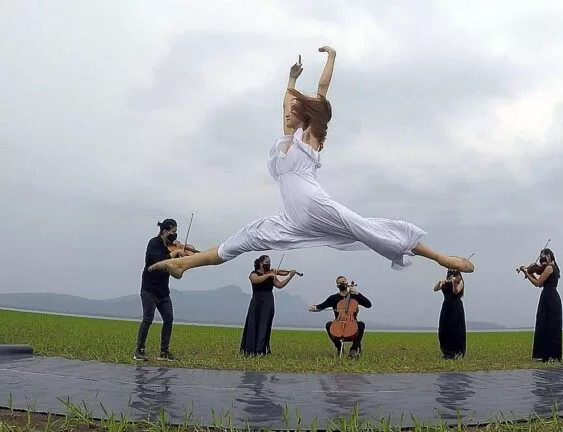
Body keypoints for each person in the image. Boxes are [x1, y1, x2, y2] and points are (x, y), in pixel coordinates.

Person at [147, 46, 474, 282]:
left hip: (316, 205)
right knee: (246, 238)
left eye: (293, 110)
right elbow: (286, 107)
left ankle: (442, 258)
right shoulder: (286, 144)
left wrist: (331, 58)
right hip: (293, 218)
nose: (288, 113)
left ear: (306, 116)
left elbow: (320, 91)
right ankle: (184, 266)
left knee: (374, 230)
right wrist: (289, 79)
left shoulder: (310, 138)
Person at [134, 219, 197, 361]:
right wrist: (174, 255)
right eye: (173, 232)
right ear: (165, 231)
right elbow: (157, 260)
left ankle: (164, 352)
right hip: (149, 289)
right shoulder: (154, 243)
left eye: (176, 232)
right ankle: (139, 350)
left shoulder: (169, 246)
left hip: (163, 291)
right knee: (148, 319)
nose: (175, 235)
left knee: (168, 319)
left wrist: (183, 255)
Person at [240, 255, 299, 356]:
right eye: (267, 262)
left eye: (270, 262)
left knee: (265, 324)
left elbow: (279, 285)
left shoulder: (271, 274)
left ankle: (261, 349)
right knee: (254, 323)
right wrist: (268, 275)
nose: (269, 264)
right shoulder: (254, 274)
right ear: (260, 263)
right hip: (257, 301)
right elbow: (256, 280)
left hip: (268, 301)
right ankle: (250, 349)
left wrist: (290, 276)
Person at [308, 276, 371, 358]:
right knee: (328, 325)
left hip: (352, 323)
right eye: (340, 282)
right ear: (337, 285)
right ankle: (339, 348)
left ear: (347, 283)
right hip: (338, 323)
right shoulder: (333, 298)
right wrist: (315, 307)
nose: (342, 283)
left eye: (344, 281)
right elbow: (321, 306)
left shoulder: (354, 296)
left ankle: (354, 349)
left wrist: (358, 293)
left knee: (361, 325)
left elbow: (368, 305)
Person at [518, 248, 562, 362]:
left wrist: (527, 273)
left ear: (548, 256)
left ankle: (552, 355)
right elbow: (539, 278)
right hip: (548, 297)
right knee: (544, 324)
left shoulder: (549, 268)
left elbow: (538, 283)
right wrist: (527, 271)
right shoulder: (551, 267)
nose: (541, 260)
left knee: (551, 326)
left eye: (543, 257)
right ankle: (546, 355)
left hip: (550, 297)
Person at [433, 269, 466, 359]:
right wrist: (440, 282)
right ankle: (446, 351)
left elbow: (456, 292)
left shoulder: (460, 282)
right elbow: (435, 289)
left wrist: (454, 283)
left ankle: (456, 351)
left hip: (455, 306)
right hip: (446, 305)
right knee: (444, 327)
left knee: (455, 328)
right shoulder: (445, 282)